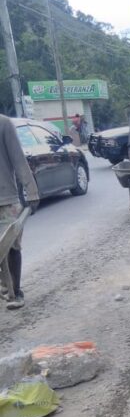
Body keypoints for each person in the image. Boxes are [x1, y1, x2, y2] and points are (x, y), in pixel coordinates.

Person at [0, 114, 39, 310]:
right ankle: (5, 286)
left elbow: (18, 160)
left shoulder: (4, 124)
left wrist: (31, 191)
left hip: (6, 200)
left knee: (11, 246)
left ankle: (15, 292)